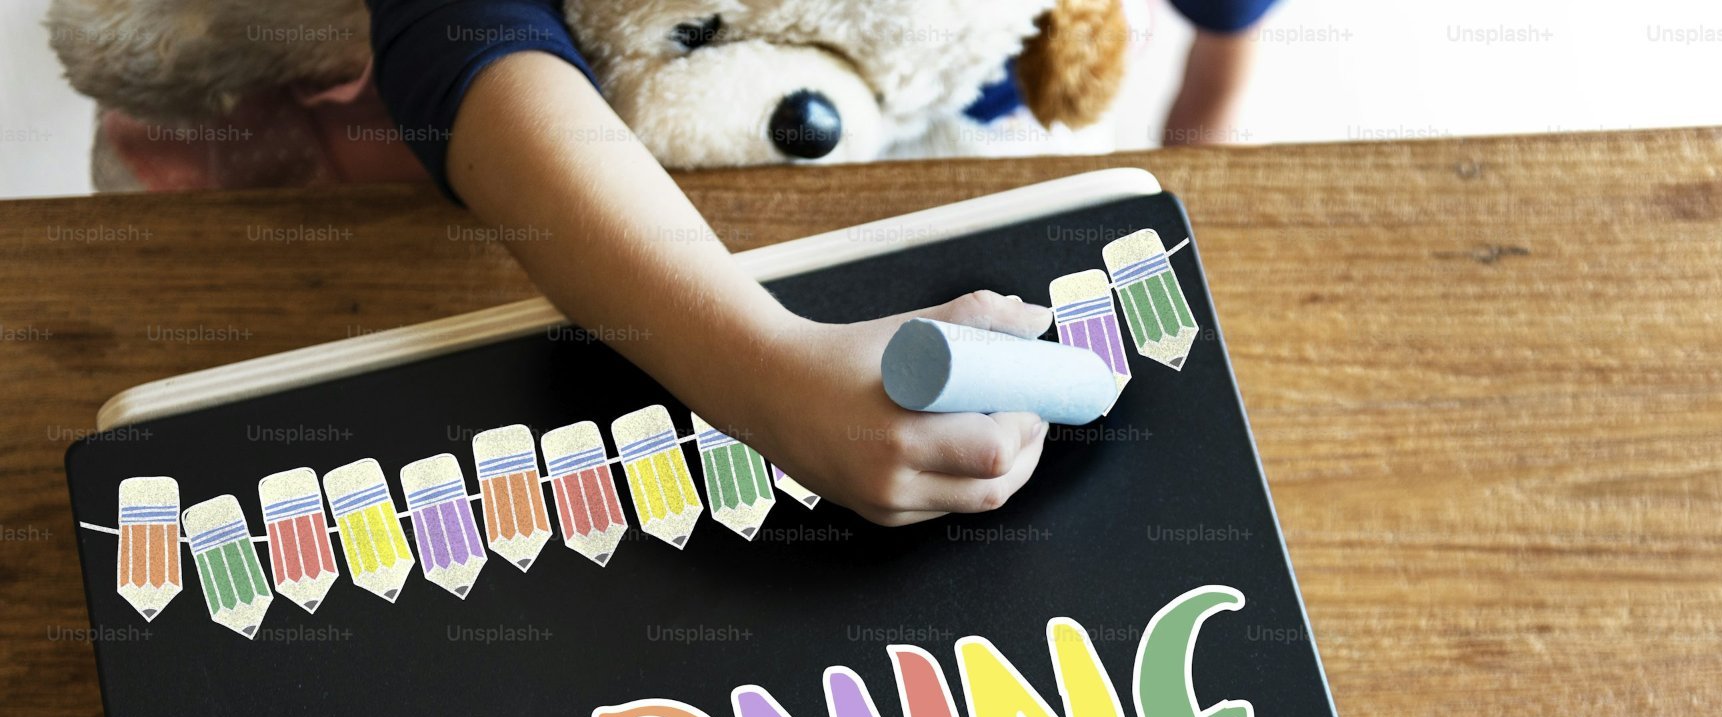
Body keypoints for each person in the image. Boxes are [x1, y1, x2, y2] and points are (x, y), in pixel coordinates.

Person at [367, 0, 1280, 525]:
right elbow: (462, 37)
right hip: (616, 183)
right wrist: (764, 369)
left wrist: (1207, 140)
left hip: (958, 139)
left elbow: (1225, 37)